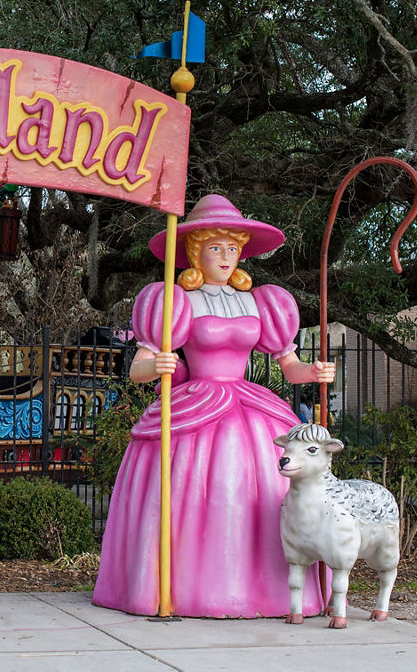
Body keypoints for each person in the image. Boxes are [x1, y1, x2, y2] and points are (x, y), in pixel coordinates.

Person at [93, 194, 335, 617]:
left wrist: (313, 374)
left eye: (232, 248)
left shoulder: (262, 302)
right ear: (193, 252)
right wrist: (159, 363)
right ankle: (187, 585)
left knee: (274, 475)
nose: (226, 257)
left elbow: (289, 366)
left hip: (250, 403)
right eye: (215, 248)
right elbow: (138, 368)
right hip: (195, 405)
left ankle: (273, 588)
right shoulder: (172, 301)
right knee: (190, 486)